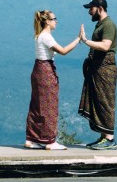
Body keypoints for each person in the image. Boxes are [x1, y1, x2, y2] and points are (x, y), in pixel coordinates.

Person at [25, 9, 80, 150]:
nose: (56, 21)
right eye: (54, 18)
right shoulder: (46, 37)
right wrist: (79, 39)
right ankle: (50, 141)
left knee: (37, 105)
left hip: (38, 69)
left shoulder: (40, 35)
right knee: (49, 105)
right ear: (47, 21)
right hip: (45, 71)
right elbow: (63, 51)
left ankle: (33, 138)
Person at [77, 0, 117, 150]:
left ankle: (110, 139)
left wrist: (86, 40)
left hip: (105, 68)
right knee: (98, 100)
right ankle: (103, 136)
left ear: (100, 9)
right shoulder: (101, 25)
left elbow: (106, 46)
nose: (89, 12)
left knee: (105, 101)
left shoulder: (108, 25)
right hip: (97, 67)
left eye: (91, 8)